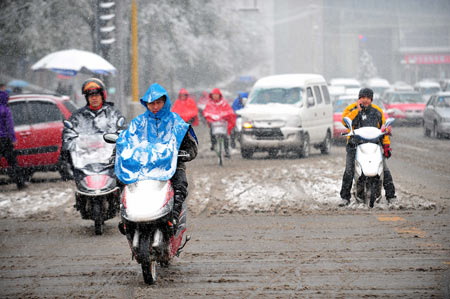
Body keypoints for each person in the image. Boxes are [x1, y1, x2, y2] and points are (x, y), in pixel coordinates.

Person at [114, 83, 198, 230]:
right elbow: (126, 141)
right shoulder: (138, 123)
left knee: (180, 185)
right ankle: (126, 217)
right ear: (146, 104)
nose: (155, 106)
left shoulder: (176, 122)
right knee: (121, 181)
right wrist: (117, 153)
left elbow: (190, 143)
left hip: (170, 165)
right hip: (141, 167)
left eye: (158, 102)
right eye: (151, 103)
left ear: (165, 102)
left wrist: (185, 153)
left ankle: (174, 218)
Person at [339, 88, 396, 206]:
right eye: (362, 97)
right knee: (349, 170)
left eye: (368, 98)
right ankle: (345, 197)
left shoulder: (377, 111)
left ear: (371, 99)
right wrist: (357, 111)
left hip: (374, 144)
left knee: (384, 170)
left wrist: (386, 145)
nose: (365, 100)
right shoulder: (351, 109)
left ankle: (391, 197)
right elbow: (345, 121)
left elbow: (383, 129)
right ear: (359, 98)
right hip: (354, 144)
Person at [62, 78, 124, 178]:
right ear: (87, 98)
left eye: (97, 95)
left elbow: (122, 132)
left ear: (102, 96)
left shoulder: (113, 114)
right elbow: (68, 136)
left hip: (109, 165)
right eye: (91, 95)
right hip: (85, 166)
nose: (94, 98)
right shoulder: (78, 117)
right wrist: (68, 151)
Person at [0, 83, 25, 189]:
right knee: (13, 162)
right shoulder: (5, 109)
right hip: (4, 139)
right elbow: (9, 125)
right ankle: (20, 183)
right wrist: (13, 138)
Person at [202, 88, 236, 158]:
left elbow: (229, 111)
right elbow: (206, 111)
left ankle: (227, 151)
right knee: (212, 132)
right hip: (214, 123)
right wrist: (209, 116)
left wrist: (226, 115)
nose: (215, 96)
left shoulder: (224, 103)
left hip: (223, 123)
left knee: (226, 136)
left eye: (217, 95)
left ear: (219, 95)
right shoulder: (209, 104)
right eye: (214, 95)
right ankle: (213, 144)